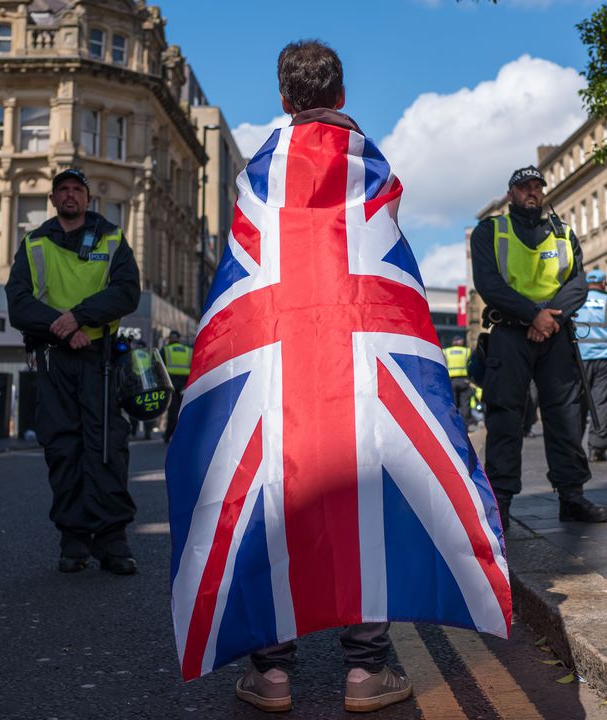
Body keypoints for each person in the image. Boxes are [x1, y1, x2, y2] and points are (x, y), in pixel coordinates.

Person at [230, 40, 414, 716]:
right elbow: (391, 267)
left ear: (284, 99)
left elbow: (240, 273)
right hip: (356, 353)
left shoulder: (258, 173)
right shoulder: (372, 167)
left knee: (277, 495)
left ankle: (271, 673)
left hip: (277, 355)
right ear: (340, 96)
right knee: (359, 493)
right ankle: (366, 670)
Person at [5, 167, 141, 575]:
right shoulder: (34, 243)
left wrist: (78, 319)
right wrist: (63, 330)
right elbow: (18, 304)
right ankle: (74, 539)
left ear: (87, 198)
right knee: (63, 448)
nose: (69, 196)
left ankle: (113, 540)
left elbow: (126, 292)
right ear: (52, 199)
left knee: (105, 445)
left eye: (76, 190)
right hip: (55, 357)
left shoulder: (112, 238)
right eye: (62, 190)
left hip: (99, 359)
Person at [471, 165, 607, 529]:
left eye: (537, 187)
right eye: (524, 187)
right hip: (510, 333)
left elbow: (578, 285)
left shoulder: (564, 234)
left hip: (555, 334)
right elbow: (489, 284)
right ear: (511, 194)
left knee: (566, 415)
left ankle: (572, 495)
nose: (531, 192)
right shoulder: (491, 231)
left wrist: (549, 319)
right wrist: (534, 315)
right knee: (505, 416)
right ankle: (500, 502)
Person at [573, 268, 607, 462]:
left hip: (577, 360)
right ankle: (597, 449)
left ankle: (573, 448)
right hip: (604, 358)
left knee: (576, 405)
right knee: (602, 404)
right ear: (603, 284)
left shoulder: (575, 301)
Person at [159, 330, 192, 443]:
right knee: (185, 412)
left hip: (170, 385)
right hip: (186, 385)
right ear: (179, 338)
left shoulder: (165, 350)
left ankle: (168, 435)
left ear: (170, 338)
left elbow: (159, 367)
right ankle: (184, 436)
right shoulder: (189, 351)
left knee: (172, 412)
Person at [444, 335, 473, 426]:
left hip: (451, 381)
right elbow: (472, 365)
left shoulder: (446, 352)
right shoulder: (467, 351)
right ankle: (465, 424)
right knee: (465, 404)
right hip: (464, 381)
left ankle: (453, 424)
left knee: (453, 404)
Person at [129, 339, 153, 441]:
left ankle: (134, 430)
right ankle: (147, 432)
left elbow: (128, 367)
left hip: (135, 382)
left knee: (134, 407)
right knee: (148, 408)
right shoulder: (149, 355)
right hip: (147, 383)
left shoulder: (132, 353)